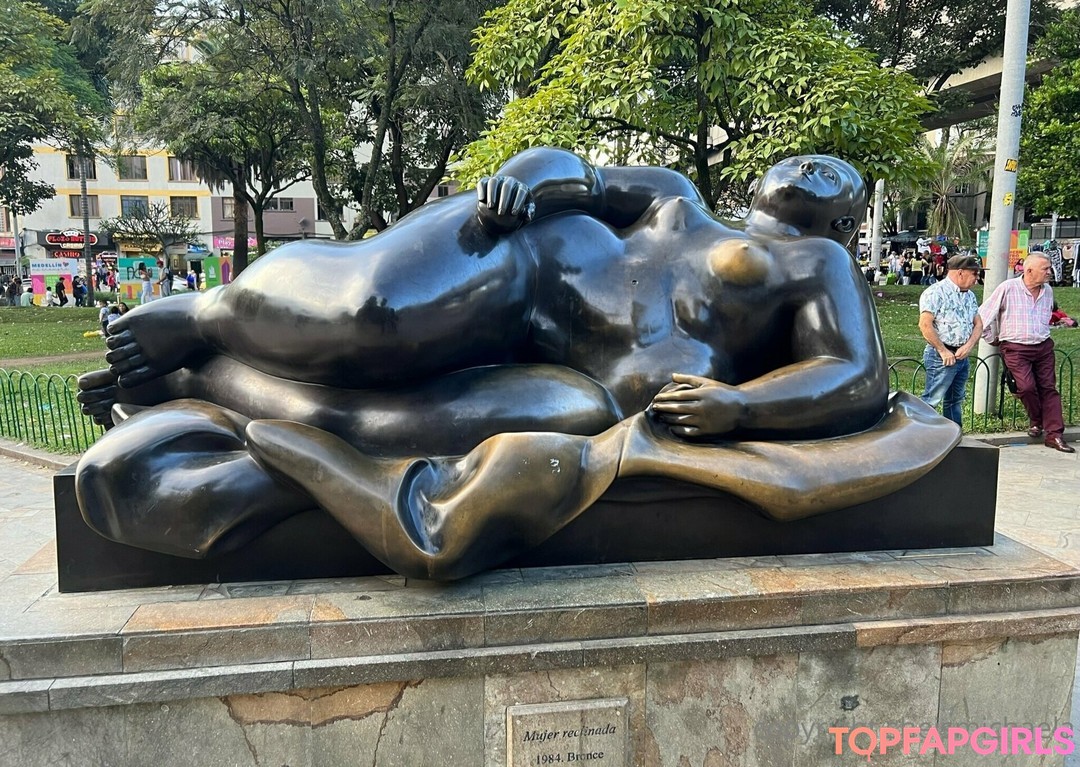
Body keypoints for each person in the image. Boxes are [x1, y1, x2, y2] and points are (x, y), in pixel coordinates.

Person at [75, 148, 958, 579]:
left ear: (848, 222)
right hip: (525, 262)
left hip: (587, 383)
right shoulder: (678, 196)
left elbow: (857, 379)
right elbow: (580, 175)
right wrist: (528, 176)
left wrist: (743, 409)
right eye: (807, 159)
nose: (814, 166)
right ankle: (200, 315)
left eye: (834, 172)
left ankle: (198, 380)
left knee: (388, 425)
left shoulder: (819, 262)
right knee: (370, 315)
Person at [980, 251, 1073, 453]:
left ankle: (1054, 435)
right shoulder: (1008, 288)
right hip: (1016, 348)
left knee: (1048, 388)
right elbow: (982, 316)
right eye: (1045, 268)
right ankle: (1037, 420)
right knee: (1027, 387)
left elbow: (1047, 316)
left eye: (1049, 268)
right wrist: (992, 338)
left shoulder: (1047, 290)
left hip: (1043, 345)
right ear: (1029, 271)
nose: (1049, 272)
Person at [918, 255, 984, 426]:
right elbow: (925, 324)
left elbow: (978, 324)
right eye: (974, 274)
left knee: (955, 399)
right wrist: (942, 350)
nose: (977, 278)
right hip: (940, 356)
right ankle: (922, 435)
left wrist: (968, 346)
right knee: (931, 400)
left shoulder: (970, 296)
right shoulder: (935, 293)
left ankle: (954, 433)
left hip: (961, 355)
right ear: (960, 272)